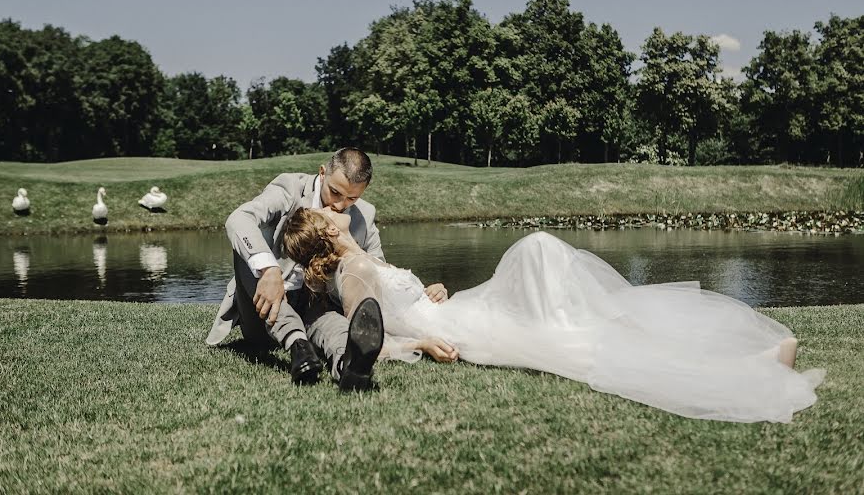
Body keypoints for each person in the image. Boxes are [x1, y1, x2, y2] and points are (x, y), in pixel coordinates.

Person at [282, 207, 826, 423]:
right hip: (460, 331)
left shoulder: (358, 261)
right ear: (327, 230)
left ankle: (733, 357)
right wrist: (418, 345)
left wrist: (424, 292)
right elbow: (366, 337)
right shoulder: (349, 276)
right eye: (330, 210)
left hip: (453, 309)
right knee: (550, 282)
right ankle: (745, 369)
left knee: (540, 255)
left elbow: (392, 305)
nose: (339, 209)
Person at [205, 148, 385, 391]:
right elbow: (238, 218)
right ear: (322, 173)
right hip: (263, 311)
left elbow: (379, 271)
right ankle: (298, 345)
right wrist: (268, 269)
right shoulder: (288, 188)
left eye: (351, 199)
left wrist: (422, 294)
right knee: (247, 255)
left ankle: (348, 364)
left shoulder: (365, 215)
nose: (341, 205)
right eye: (335, 192)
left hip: (318, 305)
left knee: (331, 320)